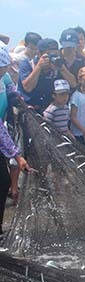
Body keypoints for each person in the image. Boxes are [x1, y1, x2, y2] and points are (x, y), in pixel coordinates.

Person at [0, 45, 31, 234]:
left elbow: (13, 93)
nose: (3, 70)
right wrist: (16, 155)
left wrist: (19, 100)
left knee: (2, 182)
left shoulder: (5, 77)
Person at [18, 38, 76, 113]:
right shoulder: (27, 64)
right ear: (39, 54)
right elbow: (28, 87)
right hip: (30, 109)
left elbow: (73, 84)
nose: (53, 57)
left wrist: (62, 68)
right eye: (50, 55)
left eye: (55, 54)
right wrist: (38, 67)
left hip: (50, 110)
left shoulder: (59, 64)